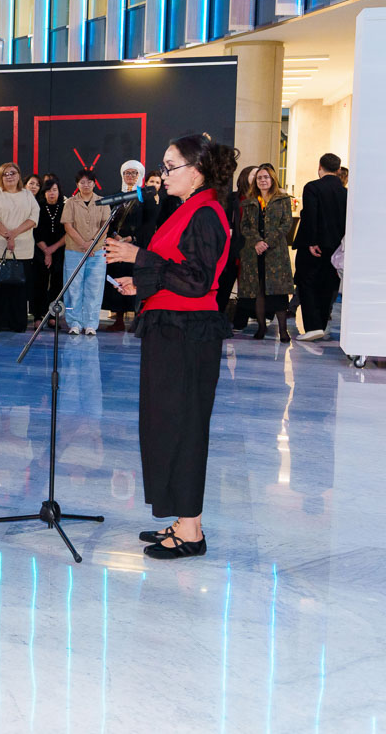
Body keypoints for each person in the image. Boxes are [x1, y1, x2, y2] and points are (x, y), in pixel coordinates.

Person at [105, 134, 237, 559]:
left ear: (196, 171)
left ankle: (192, 530)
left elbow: (198, 280)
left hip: (187, 334)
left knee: (184, 427)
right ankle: (182, 518)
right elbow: (176, 270)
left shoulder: (207, 213)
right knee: (166, 425)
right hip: (171, 328)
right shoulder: (189, 209)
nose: (162, 174)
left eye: (170, 165)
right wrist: (141, 282)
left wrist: (138, 256)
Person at [293, 153, 347, 341]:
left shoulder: (312, 187)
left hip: (313, 246)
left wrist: (312, 241)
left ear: (319, 167)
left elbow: (311, 214)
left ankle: (313, 327)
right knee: (327, 286)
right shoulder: (345, 193)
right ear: (338, 170)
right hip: (335, 248)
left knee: (306, 283)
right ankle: (322, 326)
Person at [0, 163, 40, 333]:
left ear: (19, 175)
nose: (9, 176)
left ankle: (17, 324)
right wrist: (8, 236)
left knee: (19, 289)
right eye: (5, 174)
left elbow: (33, 217)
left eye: (12, 173)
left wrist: (13, 235)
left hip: (22, 250)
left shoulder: (27, 195)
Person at [239, 164, 295, 342]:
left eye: (266, 177)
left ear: (272, 179)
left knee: (278, 293)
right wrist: (257, 241)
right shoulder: (250, 201)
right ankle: (261, 327)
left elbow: (286, 224)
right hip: (255, 252)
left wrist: (268, 242)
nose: (262, 180)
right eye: (259, 178)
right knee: (259, 291)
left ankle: (283, 330)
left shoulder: (282, 199)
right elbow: (244, 226)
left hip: (275, 253)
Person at [61, 168, 109, 334]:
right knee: (73, 288)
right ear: (77, 184)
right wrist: (83, 244)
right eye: (82, 182)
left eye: (89, 182)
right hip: (74, 250)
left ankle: (91, 324)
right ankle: (74, 323)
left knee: (94, 288)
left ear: (94, 184)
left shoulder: (103, 201)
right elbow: (68, 226)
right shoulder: (70, 203)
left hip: (97, 252)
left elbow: (105, 225)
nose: (86, 185)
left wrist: (92, 245)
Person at [102, 160, 147, 332]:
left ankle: (136, 320)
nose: (130, 176)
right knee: (117, 280)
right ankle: (118, 319)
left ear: (139, 175)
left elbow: (147, 224)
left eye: (134, 173)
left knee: (135, 280)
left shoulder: (144, 197)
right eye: (127, 173)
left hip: (136, 246)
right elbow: (109, 220)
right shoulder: (117, 197)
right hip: (116, 244)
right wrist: (115, 235)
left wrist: (131, 238)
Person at [218, 165, 257, 323]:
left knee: (247, 287)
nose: (257, 178)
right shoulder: (233, 198)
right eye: (254, 174)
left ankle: (241, 320)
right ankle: (217, 316)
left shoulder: (261, 199)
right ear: (245, 176)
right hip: (234, 246)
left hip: (252, 248)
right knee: (225, 283)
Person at [32, 178, 67, 323]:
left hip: (59, 249)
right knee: (39, 282)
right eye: (48, 190)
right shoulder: (38, 207)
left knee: (57, 283)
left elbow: (68, 231)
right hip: (40, 249)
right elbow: (35, 231)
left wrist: (53, 249)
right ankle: (38, 315)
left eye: (54, 190)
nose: (51, 193)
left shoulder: (65, 207)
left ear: (59, 192)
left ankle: (53, 315)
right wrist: (46, 251)